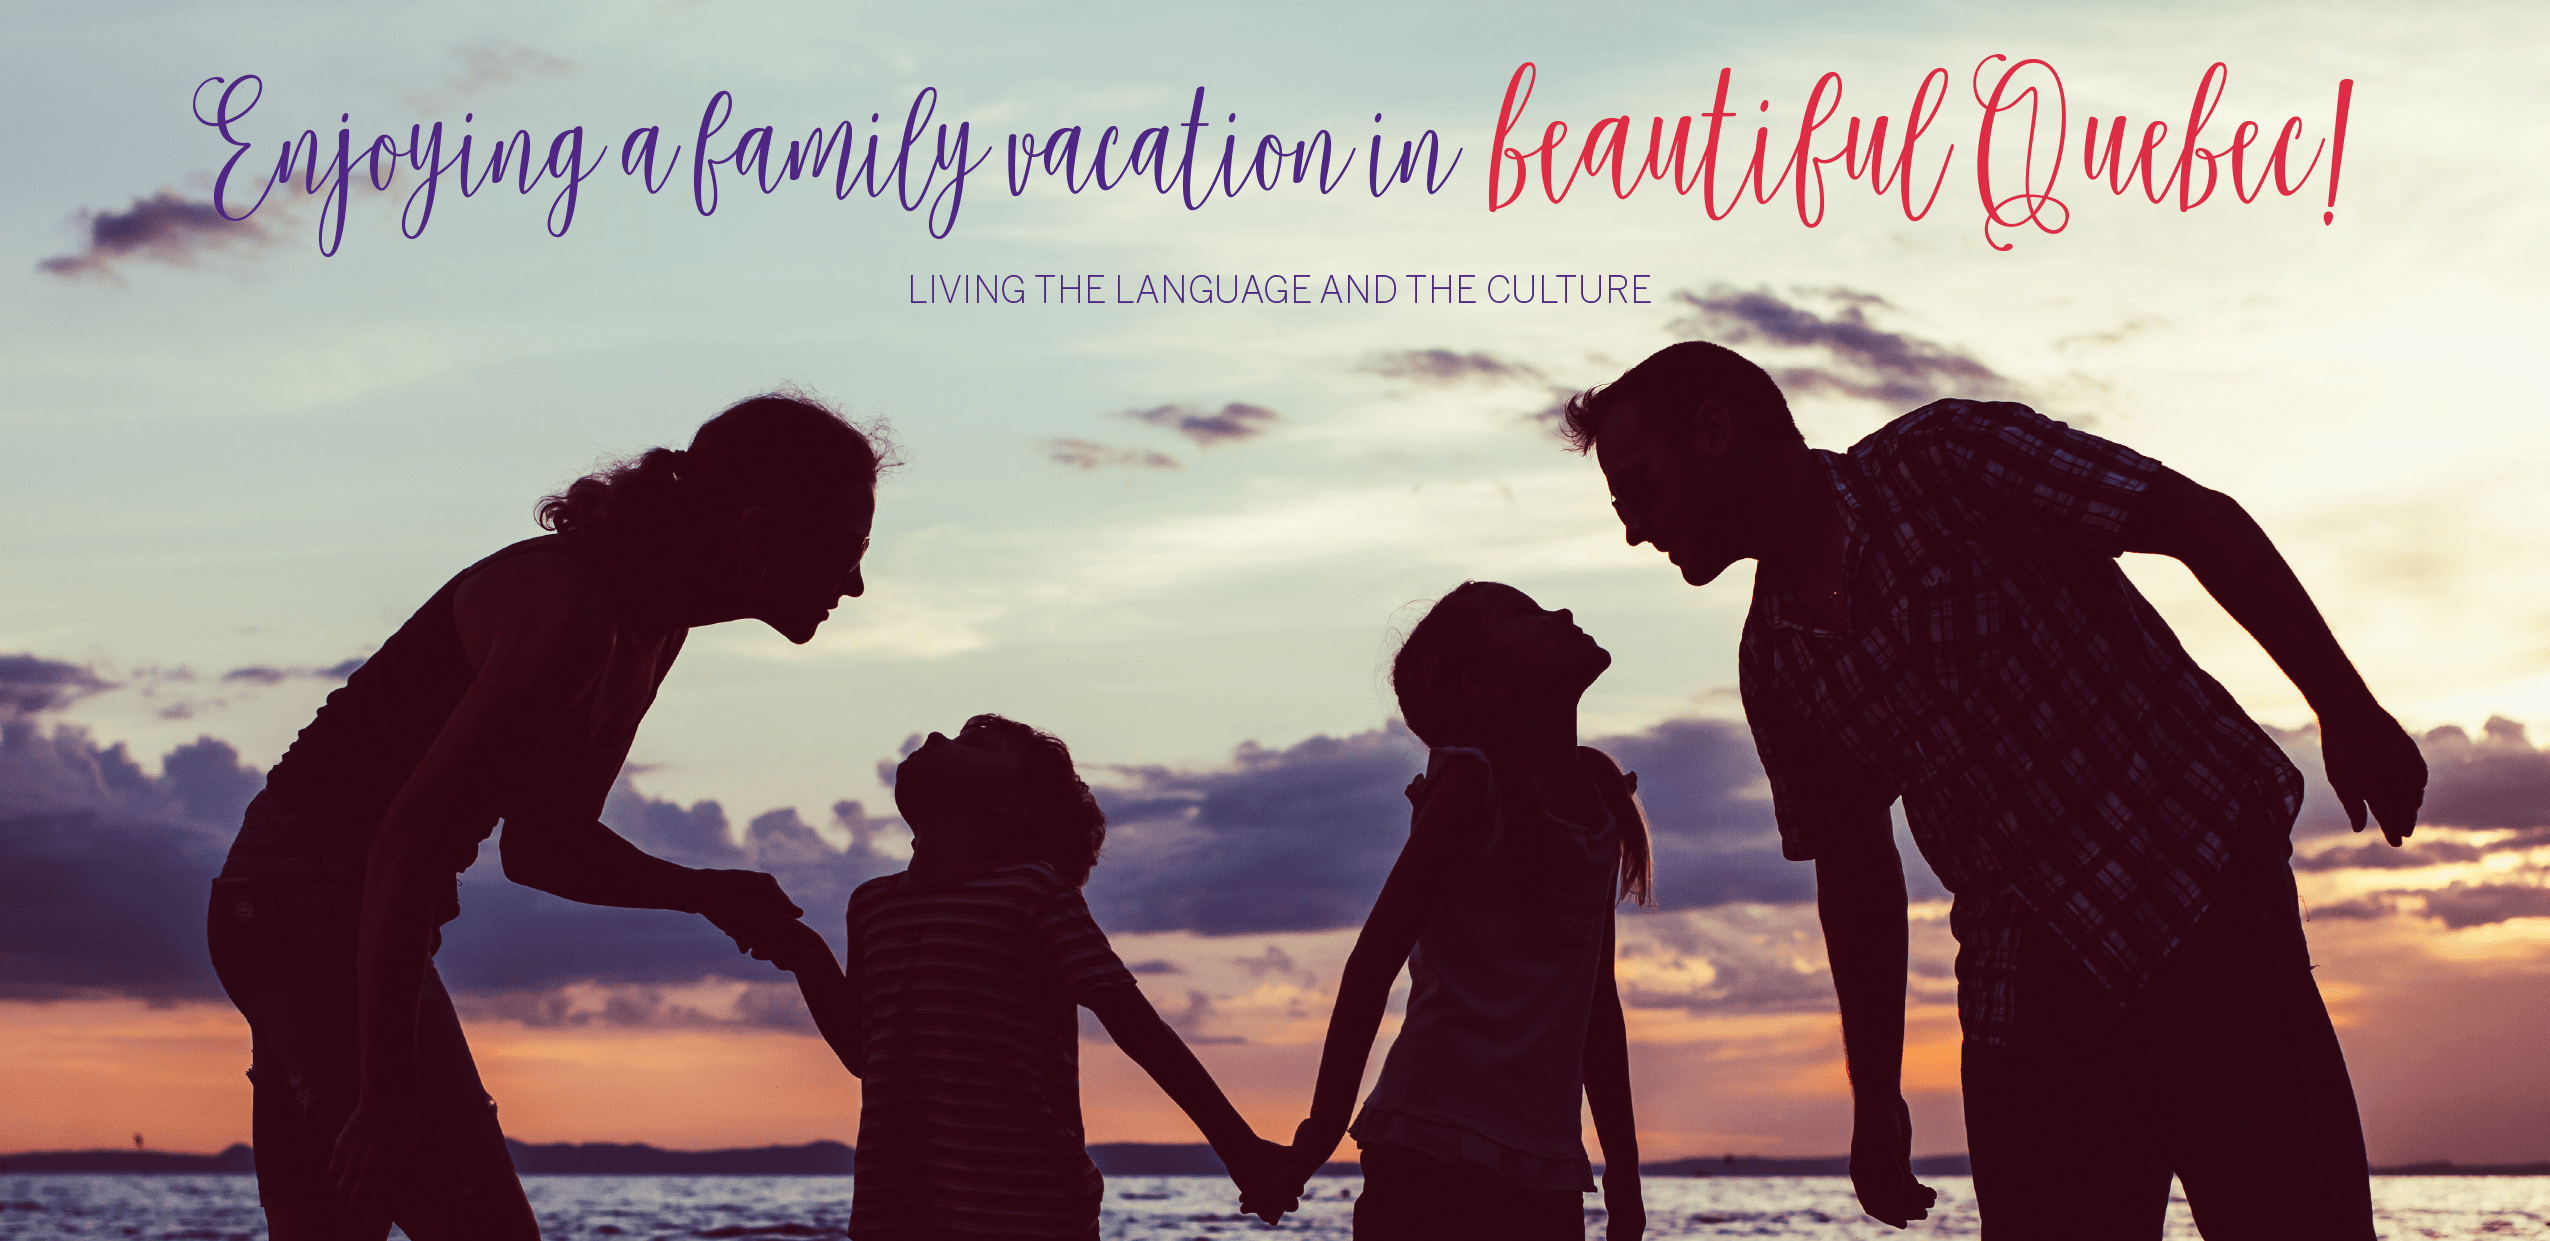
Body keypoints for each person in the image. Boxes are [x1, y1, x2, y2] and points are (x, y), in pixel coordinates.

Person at [1562, 341, 2429, 1239]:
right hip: (2028, 981)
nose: (1634, 528)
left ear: (1712, 432)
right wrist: (1878, 1098)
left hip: (2198, 895)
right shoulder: (1775, 660)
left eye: (1639, 489)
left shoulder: (1947, 463)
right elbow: (1857, 871)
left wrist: (2347, 708)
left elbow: (2191, 519)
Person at [205, 393, 890, 1240]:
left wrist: (704, 890)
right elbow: (402, 848)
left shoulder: (650, 625)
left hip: (305, 908)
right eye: (846, 550)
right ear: (754, 532)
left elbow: (543, 845)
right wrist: (388, 1098)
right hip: (312, 905)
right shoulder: (571, 612)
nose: (856, 582)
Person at [762, 713, 1296, 1240]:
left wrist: (1241, 1150)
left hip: (1030, 1208)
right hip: (898, 1210)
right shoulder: (872, 904)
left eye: (976, 742)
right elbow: (865, 1050)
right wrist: (807, 956)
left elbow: (1136, 1026)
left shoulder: (1034, 892)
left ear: (1016, 806)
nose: (935, 737)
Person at [1279, 582, 1651, 1241]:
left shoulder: (1595, 800)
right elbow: (1372, 965)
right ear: (1484, 682)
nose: (1559, 612)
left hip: (1546, 1169)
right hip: (1430, 1148)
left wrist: (1624, 1172)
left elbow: (1597, 1004)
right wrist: (1319, 1132)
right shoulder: (1473, 785)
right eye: (1520, 613)